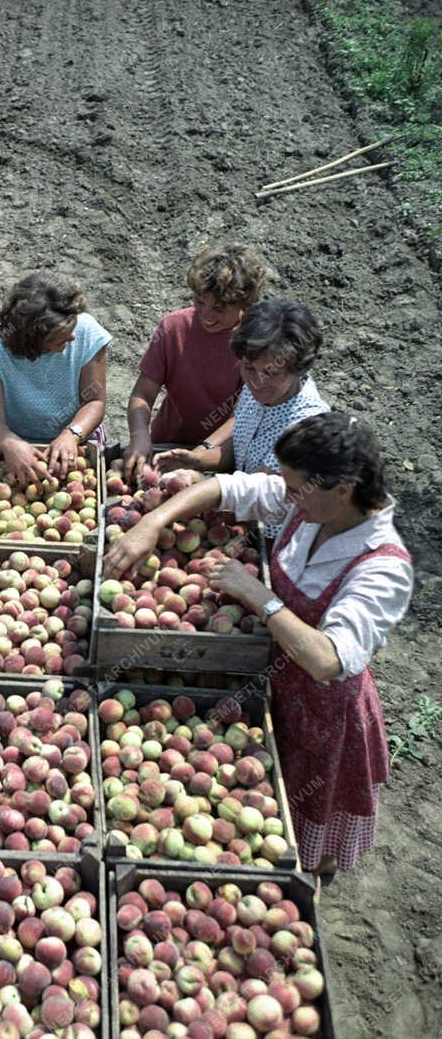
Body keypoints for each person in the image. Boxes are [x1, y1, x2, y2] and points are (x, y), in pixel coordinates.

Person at [104, 412, 413, 875]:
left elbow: (328, 660)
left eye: (295, 488)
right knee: (260, 793)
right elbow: (229, 489)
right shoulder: (311, 505)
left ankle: (314, 871)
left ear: (343, 490)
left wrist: (257, 596)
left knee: (307, 809)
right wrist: (154, 520)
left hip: (320, 706)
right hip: (260, 679)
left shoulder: (382, 567)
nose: (286, 496)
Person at [124, 242, 265, 484]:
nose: (207, 316)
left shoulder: (257, 342)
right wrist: (139, 435)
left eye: (220, 309)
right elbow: (143, 393)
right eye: (200, 301)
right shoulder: (174, 327)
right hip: (167, 440)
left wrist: (200, 454)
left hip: (221, 453)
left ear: (245, 304)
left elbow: (244, 414)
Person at [156, 299, 330, 477]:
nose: (257, 382)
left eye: (271, 373)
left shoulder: (305, 426)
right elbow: (240, 443)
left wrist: (198, 482)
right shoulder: (256, 391)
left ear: (298, 368)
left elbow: (259, 493)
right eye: (248, 368)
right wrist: (197, 460)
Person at [0, 272, 109, 486]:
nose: (72, 337)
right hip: (15, 440)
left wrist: (72, 434)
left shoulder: (87, 332)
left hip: (77, 437)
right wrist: (11, 445)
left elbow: (94, 401)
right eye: (59, 337)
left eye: (72, 326)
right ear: (32, 342)